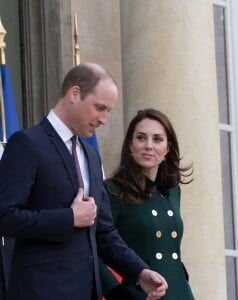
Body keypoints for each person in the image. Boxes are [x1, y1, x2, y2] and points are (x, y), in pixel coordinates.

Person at [0, 63, 168, 300]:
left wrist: (139, 271)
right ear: (74, 93)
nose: (104, 119)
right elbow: (4, 216)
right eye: (100, 108)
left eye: (109, 111)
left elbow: (104, 231)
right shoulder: (27, 144)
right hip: (40, 292)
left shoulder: (90, 155)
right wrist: (68, 218)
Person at [99, 108, 195, 299]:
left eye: (157, 139)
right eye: (141, 138)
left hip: (179, 292)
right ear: (130, 145)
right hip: (138, 294)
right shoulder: (111, 190)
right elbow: (96, 252)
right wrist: (118, 295)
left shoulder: (172, 191)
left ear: (168, 148)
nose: (148, 146)